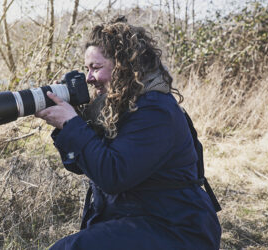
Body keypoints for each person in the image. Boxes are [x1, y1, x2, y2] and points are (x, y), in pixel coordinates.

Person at [35, 16, 221, 250]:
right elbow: (82, 165)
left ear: (124, 65)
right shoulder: (115, 106)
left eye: (96, 68)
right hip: (136, 218)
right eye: (87, 69)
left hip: (176, 228)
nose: (89, 78)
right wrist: (67, 125)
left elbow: (113, 175)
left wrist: (72, 125)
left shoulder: (154, 110)